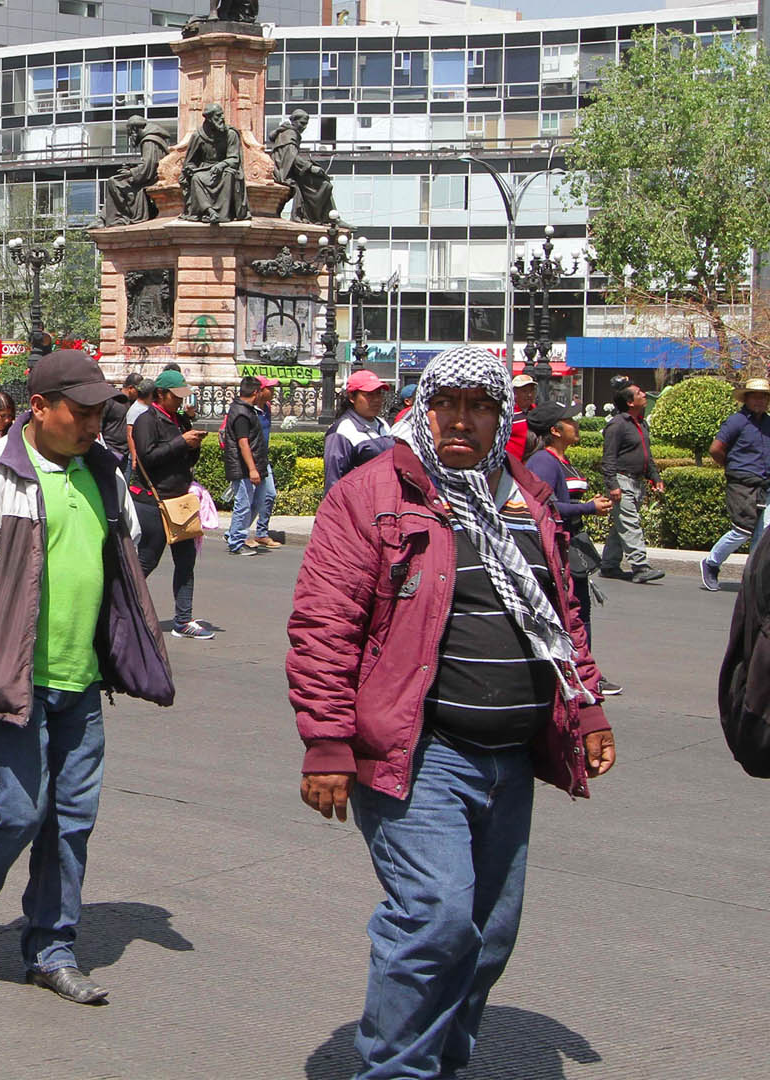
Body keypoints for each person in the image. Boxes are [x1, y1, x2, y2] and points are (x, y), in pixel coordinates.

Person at [287, 345, 615, 1080]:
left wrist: (586, 709)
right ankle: (396, 1071)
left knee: (489, 937)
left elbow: (560, 617)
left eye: (480, 406)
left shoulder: (522, 497)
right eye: (447, 404)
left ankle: (440, 1059)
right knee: (435, 918)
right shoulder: (373, 495)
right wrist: (327, 745)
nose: (461, 420)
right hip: (420, 753)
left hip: (511, 760)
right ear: (423, 409)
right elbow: (323, 625)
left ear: (502, 417)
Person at [0, 349, 174, 1005]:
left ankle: (51, 946)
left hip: (81, 681)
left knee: (70, 821)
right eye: (84, 412)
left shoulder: (104, 472)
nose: (97, 424)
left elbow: (119, 561)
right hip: (13, 679)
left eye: (102, 412)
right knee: (16, 809)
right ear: (39, 407)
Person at [525, 402, 623, 696]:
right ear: (555, 430)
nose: (576, 424)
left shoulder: (560, 460)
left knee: (579, 613)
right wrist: (588, 507)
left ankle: (583, 670)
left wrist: (586, 504)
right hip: (557, 546)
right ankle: (579, 674)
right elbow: (543, 505)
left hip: (573, 543)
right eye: (570, 421)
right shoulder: (543, 461)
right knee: (572, 613)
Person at [130, 369, 211, 639]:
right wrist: (180, 442)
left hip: (180, 500)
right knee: (147, 560)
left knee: (186, 562)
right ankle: (124, 608)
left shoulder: (179, 420)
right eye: (175, 397)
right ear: (160, 395)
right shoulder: (146, 420)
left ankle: (183, 619)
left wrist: (193, 443)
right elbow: (148, 456)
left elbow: (186, 461)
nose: (179, 402)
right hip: (153, 501)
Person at [701, 378, 770, 592]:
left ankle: (753, 577)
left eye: (764, 397)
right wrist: (732, 467)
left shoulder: (768, 423)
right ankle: (711, 562)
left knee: (765, 531)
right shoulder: (736, 421)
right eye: (756, 396)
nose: (760, 400)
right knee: (742, 530)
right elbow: (716, 449)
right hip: (741, 482)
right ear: (746, 398)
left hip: (765, 484)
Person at [600, 383, 665, 583]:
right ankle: (640, 566)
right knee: (630, 524)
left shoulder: (641, 424)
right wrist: (612, 485)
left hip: (636, 482)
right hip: (622, 480)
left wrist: (655, 477)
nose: (644, 394)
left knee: (621, 525)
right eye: (639, 393)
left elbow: (647, 455)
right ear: (630, 402)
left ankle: (609, 565)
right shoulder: (617, 425)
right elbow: (608, 458)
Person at [221, 375, 279, 556]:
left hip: (258, 462)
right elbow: (243, 442)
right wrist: (252, 468)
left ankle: (236, 533)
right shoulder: (241, 412)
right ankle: (236, 542)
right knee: (244, 503)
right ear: (256, 392)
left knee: (261, 499)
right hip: (245, 466)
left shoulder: (253, 410)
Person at [323, 369, 395, 492]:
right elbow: (333, 481)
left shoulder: (383, 425)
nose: (377, 399)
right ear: (352, 397)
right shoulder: (342, 431)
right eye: (369, 395)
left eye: (378, 393)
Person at [99, 374, 141, 461]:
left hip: (126, 454)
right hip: (110, 450)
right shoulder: (111, 400)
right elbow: (99, 424)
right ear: (131, 388)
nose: (139, 394)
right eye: (138, 391)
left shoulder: (135, 405)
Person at [504, 373, 539, 461]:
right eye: (524, 391)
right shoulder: (507, 413)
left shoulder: (536, 411)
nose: (529, 395)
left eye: (531, 391)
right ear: (514, 393)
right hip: (512, 463)